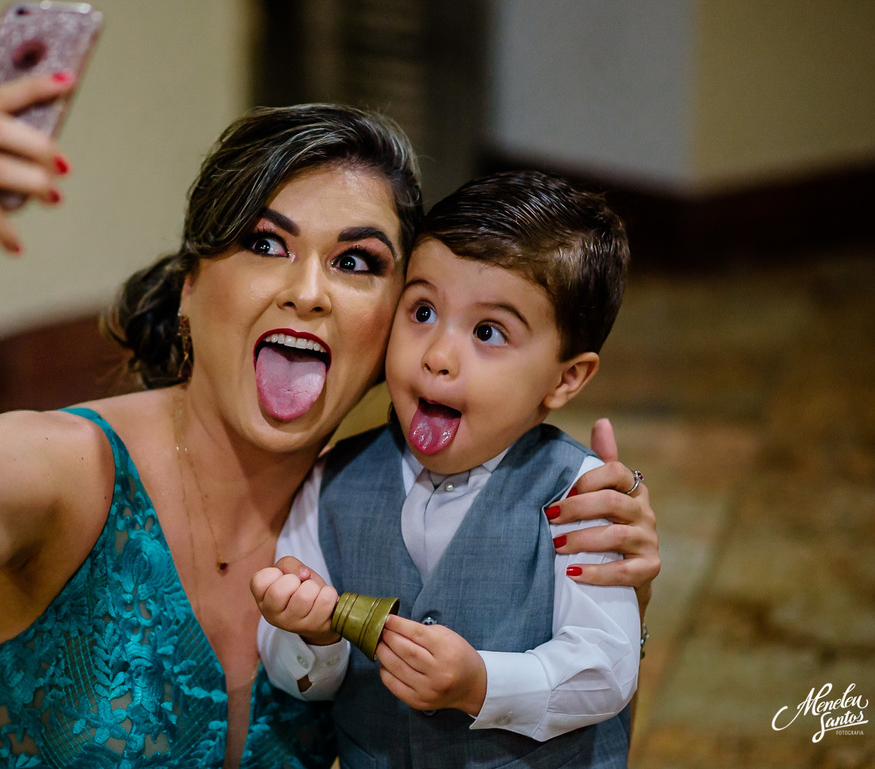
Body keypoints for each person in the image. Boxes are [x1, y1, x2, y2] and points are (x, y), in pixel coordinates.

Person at [0, 72, 659, 769]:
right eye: (266, 244)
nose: (311, 290)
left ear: (393, 321)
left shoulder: (384, 493)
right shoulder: (69, 469)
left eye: (358, 262)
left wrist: (614, 562)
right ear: (190, 285)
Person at [252, 171, 642, 768]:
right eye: (424, 310)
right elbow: (303, 681)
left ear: (566, 377)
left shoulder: (579, 496)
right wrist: (312, 634)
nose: (437, 357)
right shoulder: (333, 485)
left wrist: (484, 683)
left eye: (489, 332)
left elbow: (608, 666)